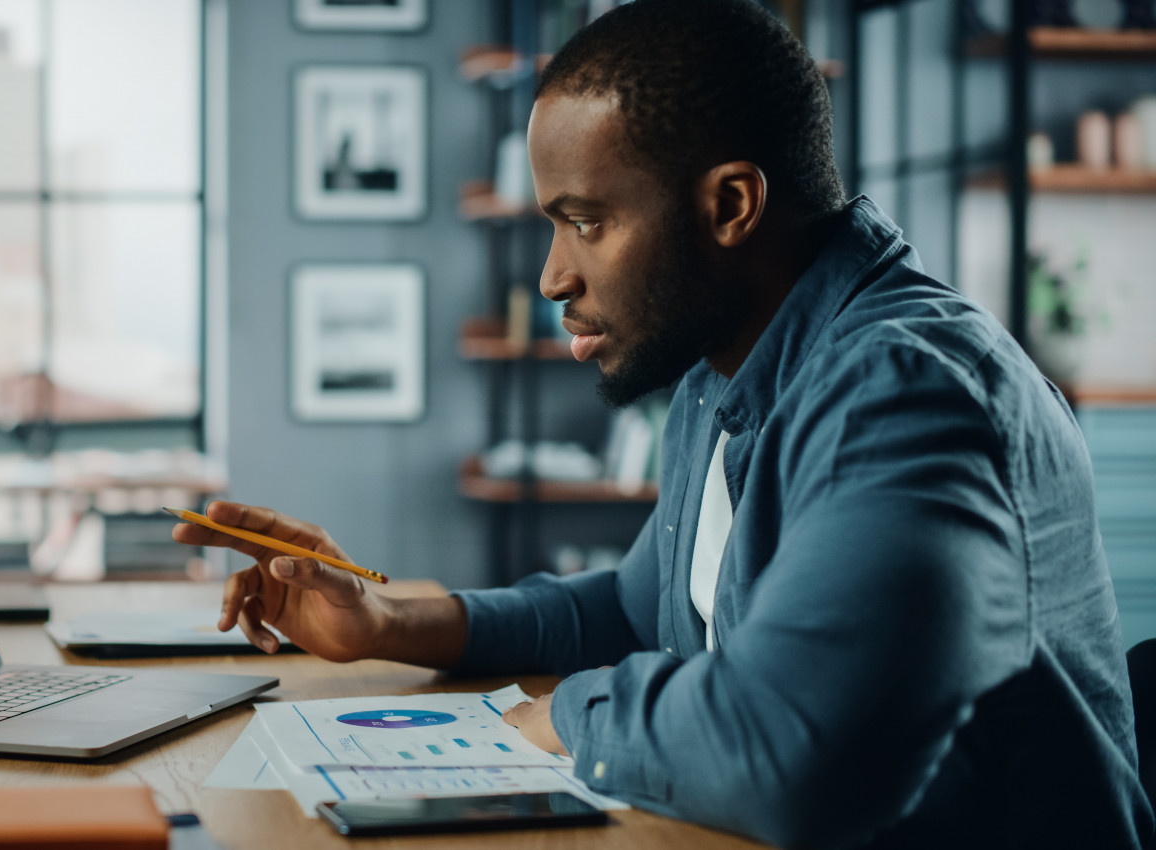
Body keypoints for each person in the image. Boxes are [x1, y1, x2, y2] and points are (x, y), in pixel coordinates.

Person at [173, 0, 1152, 846]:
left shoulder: (905, 394)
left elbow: (783, 756)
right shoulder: (720, 366)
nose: (553, 275)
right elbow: (638, 610)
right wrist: (386, 619)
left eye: (585, 221)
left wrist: (575, 712)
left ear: (729, 204)